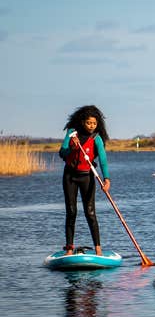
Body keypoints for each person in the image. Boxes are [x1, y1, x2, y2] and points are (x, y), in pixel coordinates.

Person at [59, 105, 111, 256]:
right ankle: (69, 248)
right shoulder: (72, 133)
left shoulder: (96, 138)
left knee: (90, 212)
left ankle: (98, 249)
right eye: (89, 123)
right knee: (71, 211)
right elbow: (62, 153)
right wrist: (72, 147)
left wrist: (106, 179)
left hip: (87, 177)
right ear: (83, 122)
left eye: (94, 123)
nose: (91, 126)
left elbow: (103, 160)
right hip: (70, 176)